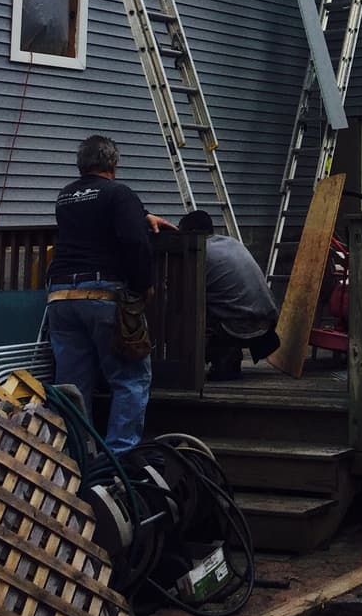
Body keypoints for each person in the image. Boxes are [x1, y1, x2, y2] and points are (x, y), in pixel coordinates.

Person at [46, 135, 165, 453]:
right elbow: (134, 242)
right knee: (129, 378)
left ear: (81, 163)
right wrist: (143, 285)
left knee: (73, 386)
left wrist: (141, 214)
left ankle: (74, 459)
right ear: (114, 163)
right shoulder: (119, 193)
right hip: (103, 295)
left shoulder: (66, 196)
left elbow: (94, 214)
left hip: (60, 296)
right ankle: (119, 460)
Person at [178, 210, 280, 380]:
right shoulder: (231, 242)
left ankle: (224, 357)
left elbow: (184, 295)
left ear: (192, 233)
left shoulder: (200, 252)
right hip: (267, 319)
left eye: (182, 233)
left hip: (240, 324)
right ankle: (229, 356)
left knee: (185, 311)